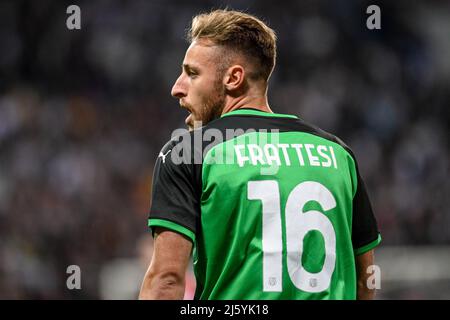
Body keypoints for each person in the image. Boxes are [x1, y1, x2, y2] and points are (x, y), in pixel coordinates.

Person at [139, 9, 381, 300]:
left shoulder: (187, 152)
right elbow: (366, 277)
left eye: (192, 73)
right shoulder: (338, 153)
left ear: (233, 78)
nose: (177, 88)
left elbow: (166, 280)